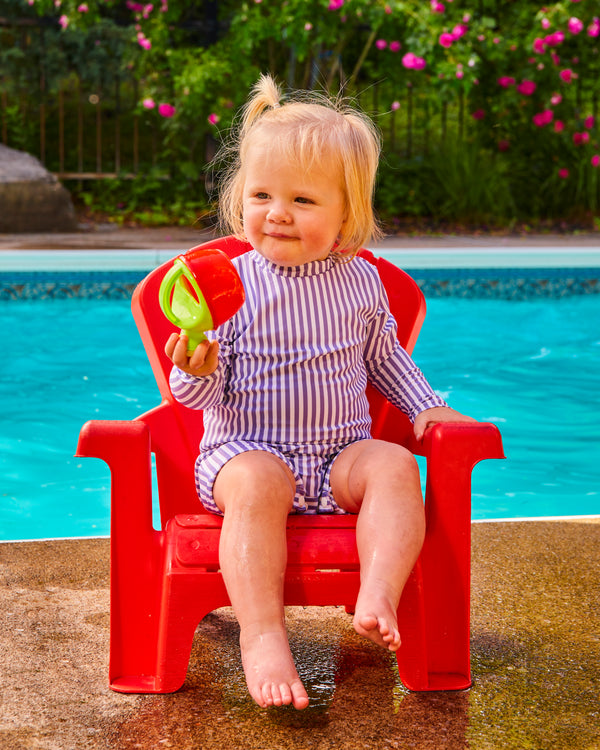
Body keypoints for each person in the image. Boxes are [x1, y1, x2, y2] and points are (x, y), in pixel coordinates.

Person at [165, 74, 475, 710]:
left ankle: (379, 591)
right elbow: (196, 397)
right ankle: (262, 634)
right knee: (255, 483)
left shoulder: (362, 284)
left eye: (303, 200)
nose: (277, 212)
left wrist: (425, 409)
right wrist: (194, 365)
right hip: (248, 454)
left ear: (346, 215)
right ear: (239, 199)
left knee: (392, 465)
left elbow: (385, 358)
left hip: (337, 456)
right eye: (261, 195)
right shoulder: (225, 287)